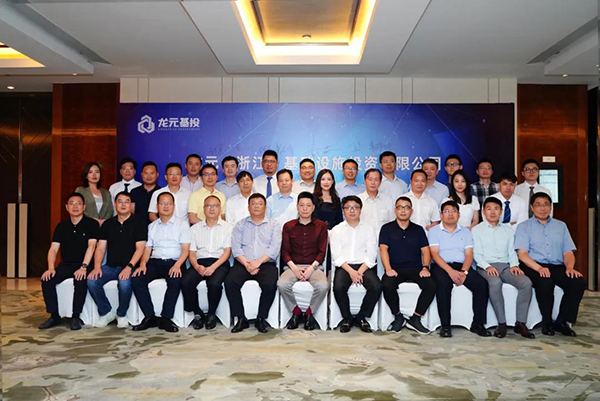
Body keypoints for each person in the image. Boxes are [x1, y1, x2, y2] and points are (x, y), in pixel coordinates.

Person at [515, 192, 586, 337]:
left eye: (546, 204)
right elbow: (522, 254)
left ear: (551, 207)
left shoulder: (561, 226)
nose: (542, 208)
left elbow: (568, 252)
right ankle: (546, 322)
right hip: (533, 265)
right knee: (545, 282)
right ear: (532, 208)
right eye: (538, 205)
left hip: (556, 266)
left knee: (578, 282)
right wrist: (539, 268)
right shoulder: (524, 227)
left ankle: (562, 321)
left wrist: (570, 268)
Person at [472, 197, 535, 339]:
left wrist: (514, 265)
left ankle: (520, 323)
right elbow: (477, 254)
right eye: (489, 209)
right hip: (485, 267)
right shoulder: (476, 230)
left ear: (501, 211)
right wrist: (487, 267)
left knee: (526, 283)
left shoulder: (508, 230)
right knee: (495, 283)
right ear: (483, 212)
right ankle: (502, 324)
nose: (492, 212)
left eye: (496, 209)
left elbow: (512, 252)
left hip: (506, 266)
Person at [429, 200, 491, 338]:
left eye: (454, 211)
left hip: (462, 266)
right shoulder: (434, 231)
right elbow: (435, 254)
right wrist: (450, 271)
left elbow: (469, 254)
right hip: (441, 266)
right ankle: (445, 326)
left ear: (459, 214)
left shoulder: (466, 231)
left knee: (481, 284)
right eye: (446, 211)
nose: (450, 214)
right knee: (443, 284)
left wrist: (464, 272)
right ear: (441, 215)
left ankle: (478, 324)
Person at [131, 192, 191, 333]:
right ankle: (150, 317)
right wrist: (143, 264)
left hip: (175, 262)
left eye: (169, 203)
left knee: (175, 281)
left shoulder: (182, 225)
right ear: (157, 206)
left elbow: (185, 250)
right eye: (162, 203)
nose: (166, 206)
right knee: (137, 280)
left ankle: (166, 318)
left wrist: (177, 265)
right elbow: (147, 249)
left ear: (174, 206)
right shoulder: (152, 226)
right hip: (155, 262)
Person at [39, 193, 99, 331]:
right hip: (66, 265)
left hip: (85, 264)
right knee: (47, 279)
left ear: (84, 207)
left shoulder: (92, 224)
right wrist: (50, 268)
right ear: (67, 207)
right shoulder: (62, 226)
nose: (75, 206)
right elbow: (53, 249)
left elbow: (92, 246)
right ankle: (54, 315)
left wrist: (83, 267)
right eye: (72, 203)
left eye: (78, 203)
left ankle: (76, 316)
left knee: (80, 279)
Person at [87, 191, 146, 328]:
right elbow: (100, 248)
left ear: (131, 205)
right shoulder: (108, 224)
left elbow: (140, 249)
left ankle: (121, 314)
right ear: (115, 204)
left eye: (126, 202)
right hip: (111, 266)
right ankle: (106, 312)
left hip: (130, 267)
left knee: (124, 284)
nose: (123, 204)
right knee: (92, 281)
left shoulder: (139, 223)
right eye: (120, 201)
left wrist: (129, 267)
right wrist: (97, 267)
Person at [225, 193, 282, 333]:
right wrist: (247, 264)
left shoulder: (274, 225)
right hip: (243, 263)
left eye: (260, 203)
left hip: (266, 264)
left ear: (265, 207)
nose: (257, 206)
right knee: (230, 282)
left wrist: (258, 263)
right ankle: (241, 318)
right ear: (248, 207)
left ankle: (261, 318)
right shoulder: (240, 225)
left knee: (270, 284)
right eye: (253, 203)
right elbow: (236, 248)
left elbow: (274, 248)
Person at [380, 196, 435, 334]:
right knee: (386, 284)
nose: (403, 211)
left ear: (411, 211)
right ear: (395, 210)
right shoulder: (386, 228)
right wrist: (388, 269)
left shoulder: (418, 229)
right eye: (400, 207)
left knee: (431, 284)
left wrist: (425, 267)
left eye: (406, 208)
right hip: (395, 269)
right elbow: (383, 250)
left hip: (415, 268)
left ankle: (415, 318)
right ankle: (398, 316)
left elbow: (426, 251)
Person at [330, 196, 382, 333]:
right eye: (348, 208)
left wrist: (359, 272)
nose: (352, 211)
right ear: (343, 211)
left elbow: (371, 255)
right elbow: (337, 256)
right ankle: (347, 318)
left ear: (360, 210)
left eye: (355, 208)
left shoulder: (369, 229)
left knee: (376, 286)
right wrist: (352, 272)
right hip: (345, 266)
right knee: (338, 287)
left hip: (364, 266)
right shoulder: (336, 230)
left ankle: (361, 317)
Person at [277, 192, 329, 331]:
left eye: (308, 205)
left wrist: (311, 268)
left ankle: (309, 313)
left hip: (314, 267)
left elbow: (322, 252)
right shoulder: (288, 226)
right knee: (282, 284)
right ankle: (296, 312)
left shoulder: (321, 226)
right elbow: (285, 252)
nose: (305, 208)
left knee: (323, 286)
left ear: (313, 208)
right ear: (297, 207)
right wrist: (295, 269)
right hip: (293, 267)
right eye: (301, 205)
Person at [181, 195, 233, 330]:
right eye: (208, 206)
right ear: (203, 209)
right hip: (200, 262)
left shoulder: (228, 227)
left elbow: (227, 252)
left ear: (220, 209)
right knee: (186, 282)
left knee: (214, 283)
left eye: (215, 206)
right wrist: (197, 266)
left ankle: (211, 314)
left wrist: (213, 267)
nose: (212, 209)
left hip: (219, 262)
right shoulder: (195, 228)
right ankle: (198, 313)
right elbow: (192, 253)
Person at [358, 168, 394, 236]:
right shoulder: (358, 200)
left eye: (376, 180)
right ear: (364, 181)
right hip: (364, 239)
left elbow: (392, 222)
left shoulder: (387, 200)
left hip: (383, 239)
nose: (373, 183)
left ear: (380, 182)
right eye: (370, 179)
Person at [130, 161, 161, 227]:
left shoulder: (161, 192)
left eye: (152, 173)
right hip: (138, 228)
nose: (149, 176)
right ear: (141, 174)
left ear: (157, 174)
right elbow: (131, 213)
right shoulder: (134, 192)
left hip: (157, 228)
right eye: (146, 173)